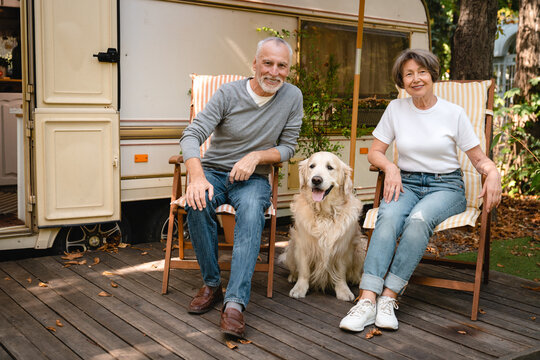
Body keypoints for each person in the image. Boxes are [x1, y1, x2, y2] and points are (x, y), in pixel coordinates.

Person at [339, 49, 501, 332]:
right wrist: (390, 168)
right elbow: (375, 152)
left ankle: (389, 298)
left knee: (417, 221)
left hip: (446, 186)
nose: (416, 79)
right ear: (402, 81)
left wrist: (494, 172)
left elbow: (478, 159)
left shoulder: (453, 113)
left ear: (432, 74)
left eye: (421, 72)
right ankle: (366, 300)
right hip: (407, 182)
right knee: (387, 218)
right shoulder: (396, 109)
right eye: (408, 74)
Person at [180, 37, 303, 338]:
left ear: (288, 69)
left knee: (250, 211)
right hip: (214, 173)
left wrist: (257, 155)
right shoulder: (228, 93)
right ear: (255, 64)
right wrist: (196, 176)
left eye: (282, 65)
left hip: (254, 180)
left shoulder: (292, 97)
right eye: (268, 63)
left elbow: (288, 147)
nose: (274, 71)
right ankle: (212, 284)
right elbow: (191, 135)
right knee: (196, 202)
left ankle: (234, 304)